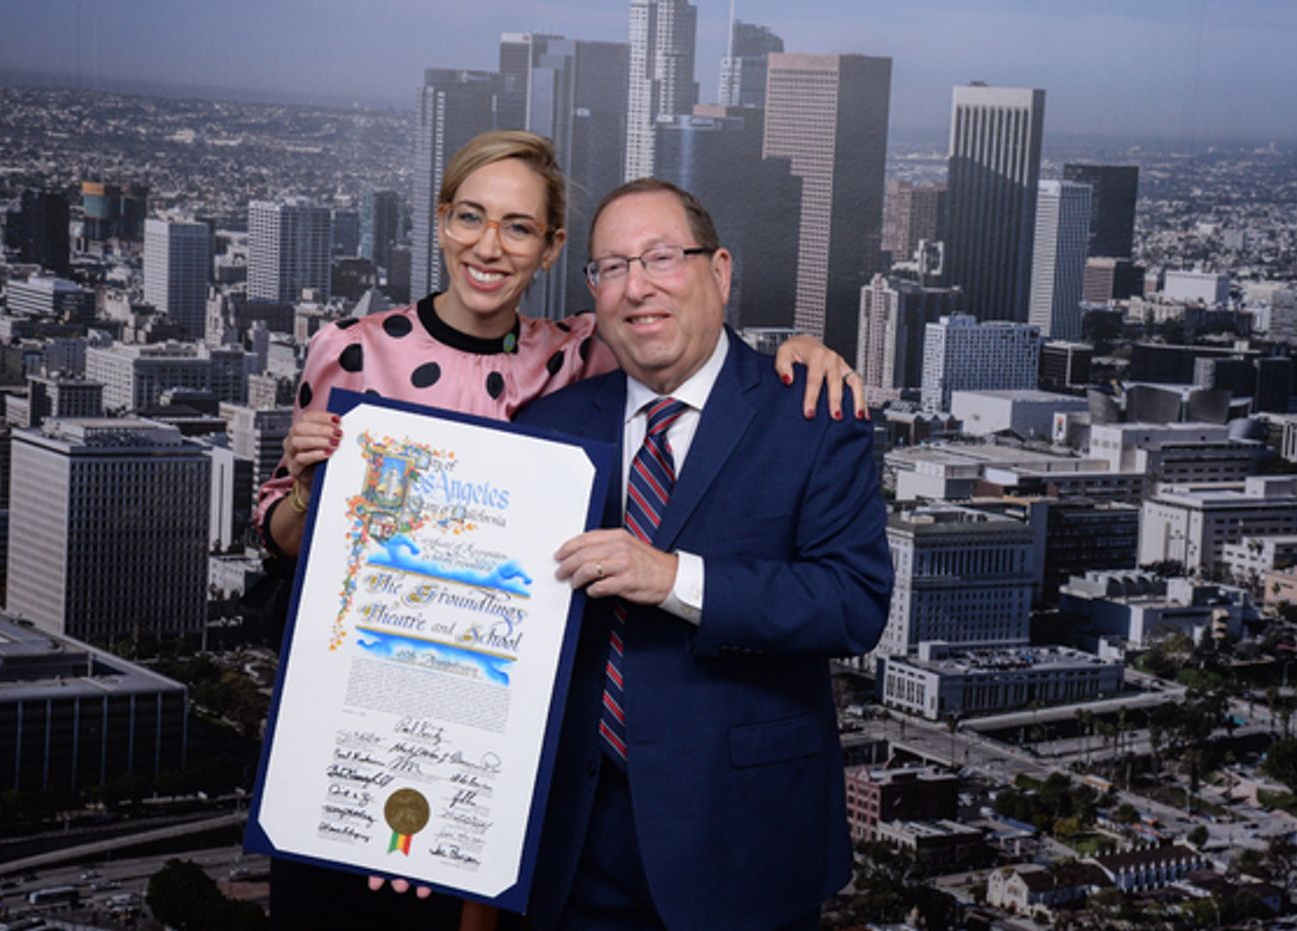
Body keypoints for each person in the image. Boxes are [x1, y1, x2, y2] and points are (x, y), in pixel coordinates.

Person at [254, 132, 865, 929]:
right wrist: (309, 490)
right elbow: (290, 540)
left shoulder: (583, 356)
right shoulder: (366, 354)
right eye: (470, 217)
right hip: (463, 770)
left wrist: (802, 350)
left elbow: (688, 349)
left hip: (707, 832)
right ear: (440, 221)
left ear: (548, 250)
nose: (636, 287)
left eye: (518, 227)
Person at [514, 178, 893, 931]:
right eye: (611, 267)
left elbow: (853, 602)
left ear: (719, 271)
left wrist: (675, 577)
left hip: (746, 843)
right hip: (573, 846)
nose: (637, 286)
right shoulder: (550, 426)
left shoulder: (813, 413)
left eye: (661, 257)